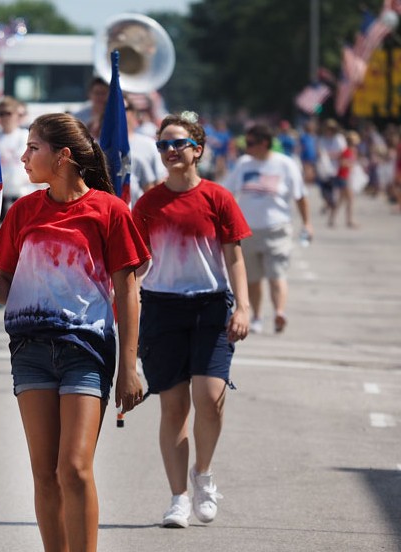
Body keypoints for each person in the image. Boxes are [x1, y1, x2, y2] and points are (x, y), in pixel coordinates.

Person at [0, 113, 149, 552]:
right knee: (44, 473)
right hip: (30, 349)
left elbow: (128, 294)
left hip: (86, 349)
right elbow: (5, 288)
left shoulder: (109, 211)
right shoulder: (22, 211)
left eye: (34, 148)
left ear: (63, 157)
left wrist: (129, 368)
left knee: (73, 468)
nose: (23, 157)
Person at [131, 112, 251, 529]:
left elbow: (234, 255)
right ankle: (178, 497)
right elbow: (135, 262)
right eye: (163, 145)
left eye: (178, 143)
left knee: (211, 397)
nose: (170, 151)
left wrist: (245, 307)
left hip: (210, 306)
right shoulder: (147, 203)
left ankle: (204, 474)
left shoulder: (217, 198)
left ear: (197, 149)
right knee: (174, 407)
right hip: (162, 308)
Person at [223, 124, 311, 334]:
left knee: (276, 273)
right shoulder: (244, 164)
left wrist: (307, 223)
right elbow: (229, 193)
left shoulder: (285, 164)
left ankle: (280, 311)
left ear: (264, 143)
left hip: (277, 229)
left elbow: (300, 196)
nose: (247, 148)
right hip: (247, 230)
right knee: (252, 278)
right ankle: (256, 316)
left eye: (251, 143)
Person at [0, 96, 33, 219]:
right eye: (2, 114)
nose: (5, 117)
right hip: (0, 193)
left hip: (21, 192)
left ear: (17, 114)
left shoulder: (25, 136)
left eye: (8, 113)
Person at [329, 129, 360, 228]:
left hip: (345, 177)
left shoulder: (350, 151)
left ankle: (332, 219)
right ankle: (349, 221)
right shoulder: (346, 151)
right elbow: (342, 163)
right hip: (343, 177)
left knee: (341, 200)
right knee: (350, 200)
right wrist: (350, 164)